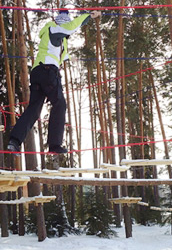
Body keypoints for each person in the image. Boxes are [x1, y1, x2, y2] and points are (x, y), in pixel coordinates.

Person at [7, 9, 102, 155]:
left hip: (38, 73)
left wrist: (71, 58)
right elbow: (71, 27)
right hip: (47, 72)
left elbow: (59, 54)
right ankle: (54, 144)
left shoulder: (54, 38)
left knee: (34, 110)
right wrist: (88, 16)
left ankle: (14, 141)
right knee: (59, 103)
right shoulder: (54, 28)